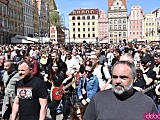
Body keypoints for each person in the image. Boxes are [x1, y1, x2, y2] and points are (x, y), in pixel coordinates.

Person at [84, 61, 157, 120]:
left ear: (134, 79)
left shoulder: (147, 103)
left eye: (123, 77)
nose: (118, 81)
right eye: (115, 77)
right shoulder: (98, 99)